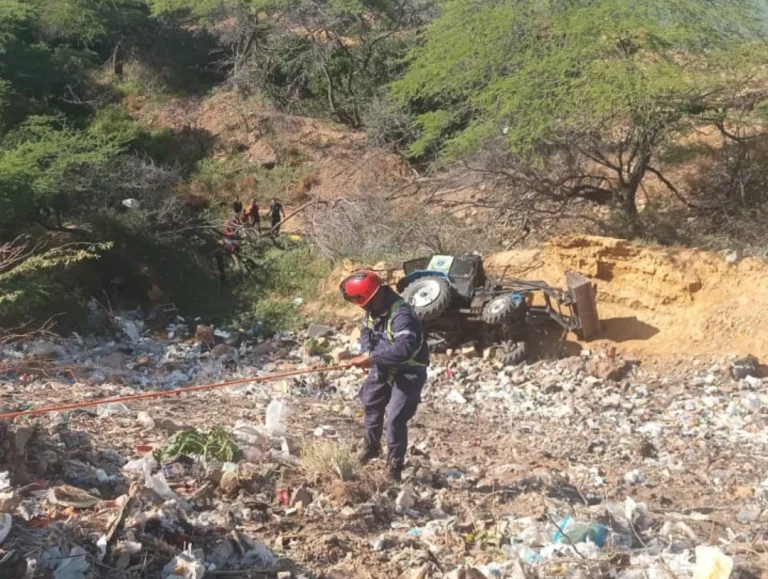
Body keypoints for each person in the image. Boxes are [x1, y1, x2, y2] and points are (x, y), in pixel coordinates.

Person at [340, 270, 430, 481]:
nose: (360, 307)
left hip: (409, 370)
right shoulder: (374, 309)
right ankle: (371, 448)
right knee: (371, 403)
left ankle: (394, 468)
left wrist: (371, 358)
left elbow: (405, 349)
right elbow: (366, 332)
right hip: (384, 365)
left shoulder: (402, 315)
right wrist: (365, 352)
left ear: (367, 299)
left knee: (396, 419)